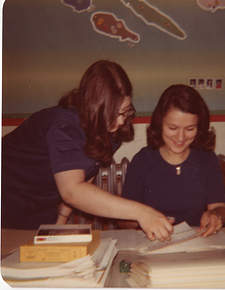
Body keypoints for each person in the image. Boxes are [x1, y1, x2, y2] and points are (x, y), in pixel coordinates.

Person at [1, 60, 173, 242]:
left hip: (38, 206)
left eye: (125, 111)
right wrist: (141, 212)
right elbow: (72, 191)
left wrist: (61, 219)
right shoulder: (65, 127)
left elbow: (84, 177)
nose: (121, 121)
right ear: (94, 107)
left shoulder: (110, 128)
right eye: (114, 112)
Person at [119, 84, 225, 237]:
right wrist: (142, 217)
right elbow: (123, 222)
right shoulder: (142, 161)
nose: (181, 137)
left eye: (190, 129)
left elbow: (219, 207)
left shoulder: (207, 159)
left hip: (197, 240)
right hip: (152, 242)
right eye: (172, 128)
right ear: (159, 124)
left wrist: (215, 215)